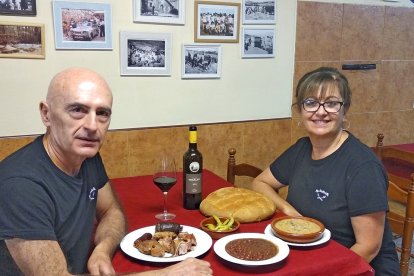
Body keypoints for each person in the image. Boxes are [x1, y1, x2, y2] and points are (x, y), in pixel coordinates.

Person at [0, 68, 212, 276]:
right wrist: (167, 275)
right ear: (46, 114)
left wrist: (102, 249)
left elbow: (111, 211)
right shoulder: (20, 185)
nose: (92, 126)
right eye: (78, 110)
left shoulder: (86, 155)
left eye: (102, 113)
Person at [246, 67, 400, 275]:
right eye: (310, 102)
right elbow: (260, 183)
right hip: (312, 255)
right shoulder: (301, 148)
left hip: (358, 267)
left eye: (331, 103)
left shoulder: (363, 167)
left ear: (345, 109)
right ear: (300, 110)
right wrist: (289, 211)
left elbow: (368, 247)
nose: (320, 111)